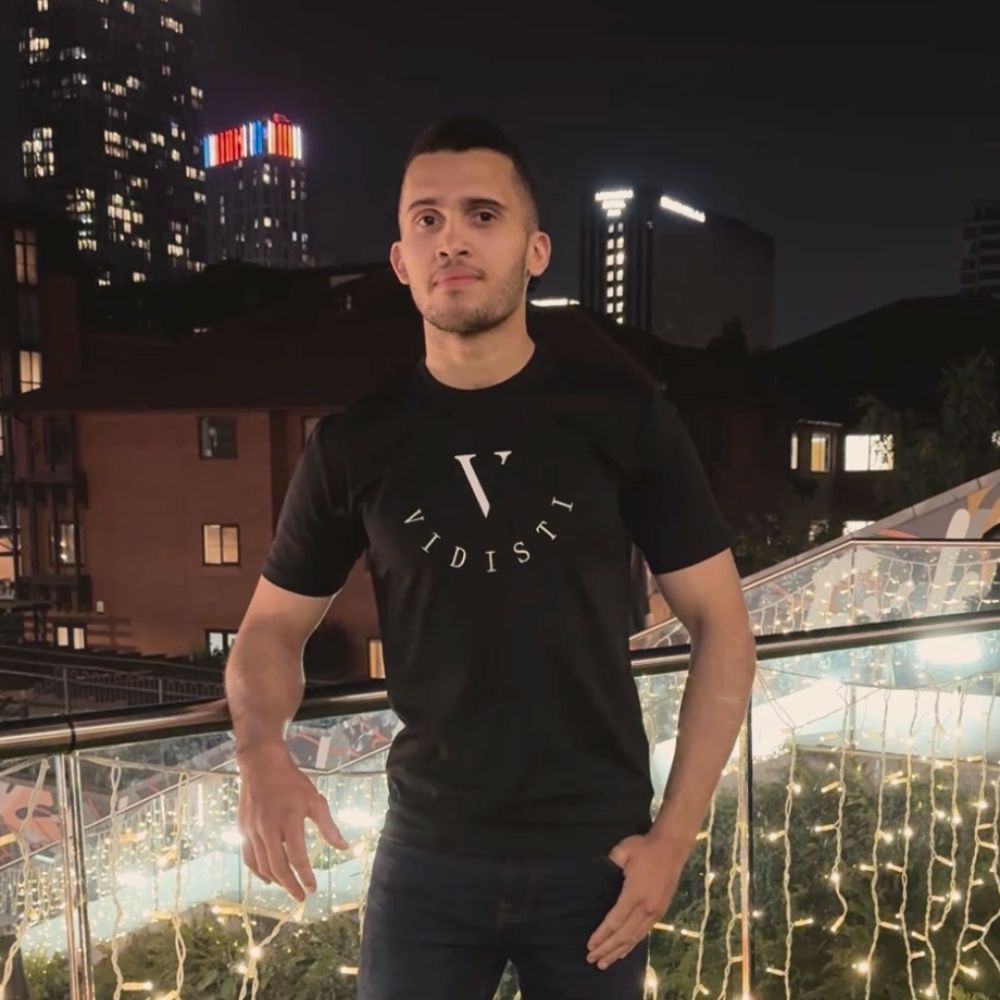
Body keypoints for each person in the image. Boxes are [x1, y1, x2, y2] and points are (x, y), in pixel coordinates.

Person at [226, 117, 757, 999]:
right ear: (400, 259)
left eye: (482, 214)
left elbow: (724, 629)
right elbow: (271, 629)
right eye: (426, 220)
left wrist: (674, 839)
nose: (453, 239)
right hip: (428, 857)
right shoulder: (354, 444)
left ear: (535, 248)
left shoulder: (624, 417)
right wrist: (260, 752)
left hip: (599, 856)